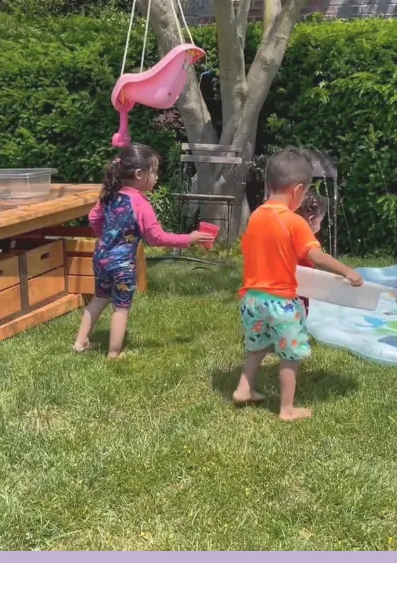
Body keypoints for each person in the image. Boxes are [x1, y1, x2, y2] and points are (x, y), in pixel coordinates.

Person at [233, 149, 363, 421]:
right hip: (281, 302)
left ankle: (244, 388)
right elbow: (315, 255)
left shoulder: (256, 216)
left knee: (256, 345)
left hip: (252, 299)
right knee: (290, 354)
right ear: (298, 190)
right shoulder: (295, 221)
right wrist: (347, 271)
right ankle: (287, 409)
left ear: (270, 184)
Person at [72, 144, 214, 357]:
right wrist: (190, 238)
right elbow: (157, 238)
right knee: (121, 308)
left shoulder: (110, 194)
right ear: (139, 174)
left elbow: (93, 217)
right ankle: (114, 354)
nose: (156, 177)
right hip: (122, 265)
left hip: (100, 257)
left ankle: (80, 343)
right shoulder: (141, 203)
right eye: (154, 171)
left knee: (100, 298)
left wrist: (106, 236)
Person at [293, 189, 327, 317]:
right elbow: (319, 259)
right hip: (298, 292)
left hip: (280, 291)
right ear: (312, 219)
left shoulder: (288, 233)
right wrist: (346, 272)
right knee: (297, 320)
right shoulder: (308, 239)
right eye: (320, 221)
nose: (320, 225)